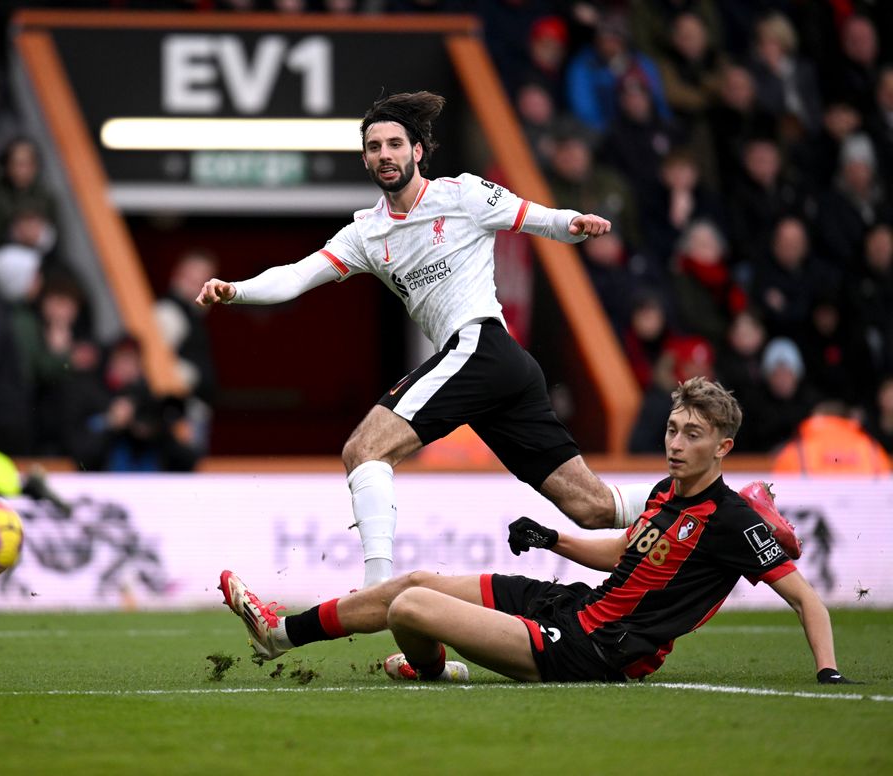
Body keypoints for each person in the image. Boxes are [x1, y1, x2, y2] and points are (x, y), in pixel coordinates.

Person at [195, 91, 655, 588]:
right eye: (374, 147)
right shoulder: (366, 234)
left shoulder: (462, 195)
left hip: (481, 346)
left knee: (364, 450)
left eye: (395, 144)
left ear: (418, 151)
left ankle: (376, 591)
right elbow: (297, 275)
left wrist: (575, 223)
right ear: (366, 159)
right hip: (497, 373)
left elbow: (538, 217)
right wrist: (235, 290)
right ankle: (715, 501)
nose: (384, 154)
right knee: (593, 508)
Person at [221, 377, 851, 686]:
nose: (676, 443)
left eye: (692, 434)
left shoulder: (734, 521)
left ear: (724, 446)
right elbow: (618, 557)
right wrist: (554, 539)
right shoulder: (662, 495)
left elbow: (807, 599)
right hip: (576, 608)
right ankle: (279, 634)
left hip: (597, 650)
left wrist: (827, 672)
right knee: (413, 584)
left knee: (413, 605)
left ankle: (435, 670)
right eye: (672, 429)